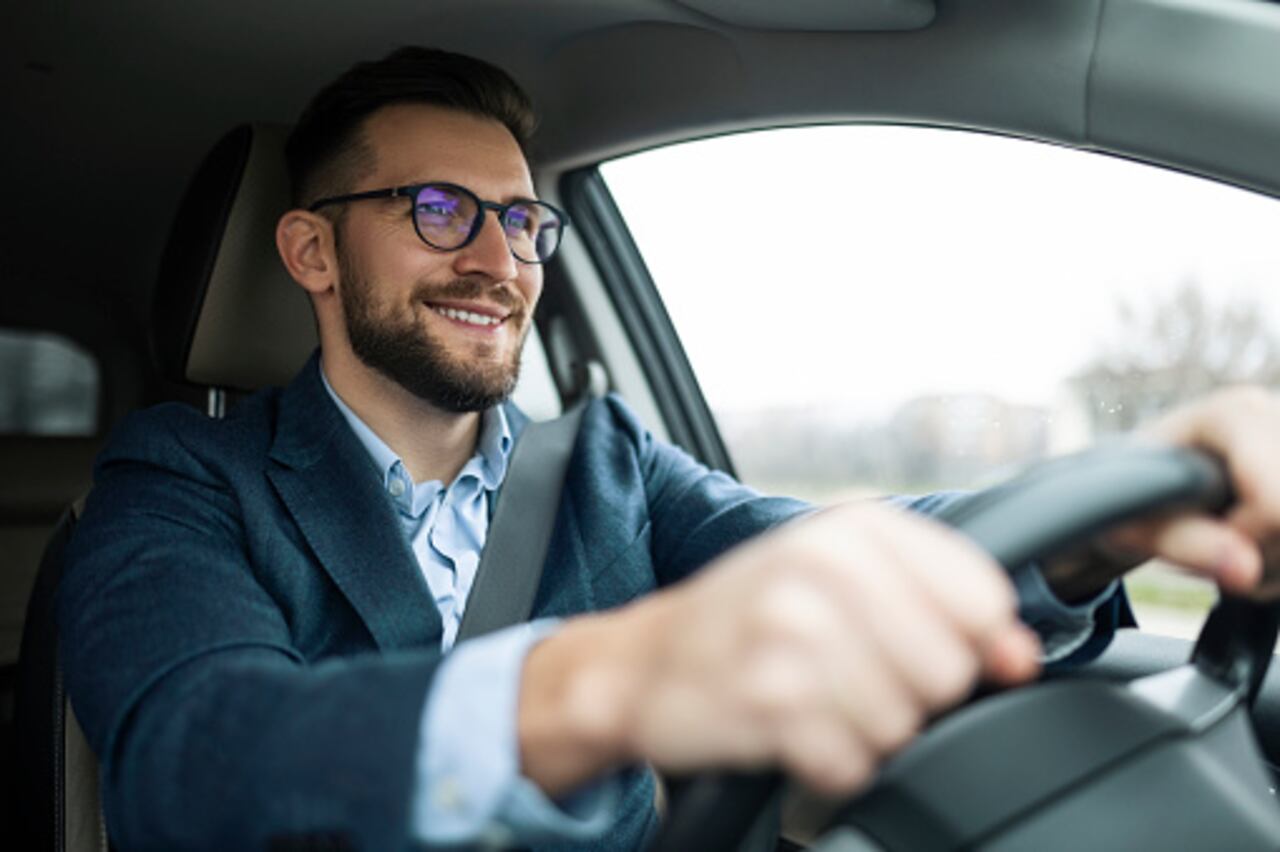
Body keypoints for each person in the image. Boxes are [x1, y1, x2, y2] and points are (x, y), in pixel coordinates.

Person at [57, 46, 1280, 851]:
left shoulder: (606, 467)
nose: (500, 261)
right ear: (313, 254)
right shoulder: (183, 480)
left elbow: (831, 554)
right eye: (439, 212)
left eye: (523, 220)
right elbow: (192, 757)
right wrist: (599, 681)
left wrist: (1090, 524)